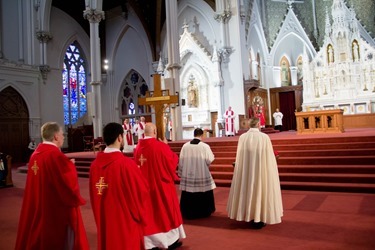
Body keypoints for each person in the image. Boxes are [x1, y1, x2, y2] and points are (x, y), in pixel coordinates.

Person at [15, 122, 89, 250]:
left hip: (40, 201)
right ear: (55, 137)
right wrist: (70, 166)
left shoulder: (35, 155)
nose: (63, 137)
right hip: (54, 207)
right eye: (62, 134)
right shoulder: (55, 156)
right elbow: (66, 183)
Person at [89, 122, 151, 250]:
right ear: (119, 138)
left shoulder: (94, 166)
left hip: (104, 220)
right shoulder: (126, 164)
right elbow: (141, 192)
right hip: (124, 222)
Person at [133, 123, 186, 250]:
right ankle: (169, 241)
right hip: (161, 187)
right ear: (155, 132)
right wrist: (167, 146)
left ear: (144, 133)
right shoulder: (160, 146)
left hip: (144, 188)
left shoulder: (137, 149)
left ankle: (151, 243)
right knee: (165, 214)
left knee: (150, 215)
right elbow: (172, 162)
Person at [227, 118, 283, 229]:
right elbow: (269, 156)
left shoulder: (243, 137)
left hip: (247, 170)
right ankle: (260, 216)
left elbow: (240, 155)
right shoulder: (264, 137)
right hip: (262, 169)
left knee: (247, 189)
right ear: (258, 124)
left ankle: (249, 214)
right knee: (261, 190)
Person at [178, 128, 216, 219]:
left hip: (188, 173)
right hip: (201, 173)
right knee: (203, 190)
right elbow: (209, 159)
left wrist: (181, 172)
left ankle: (187, 211)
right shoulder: (204, 146)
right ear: (202, 135)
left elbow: (181, 161)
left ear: (194, 134)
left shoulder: (185, 146)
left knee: (189, 192)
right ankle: (204, 211)